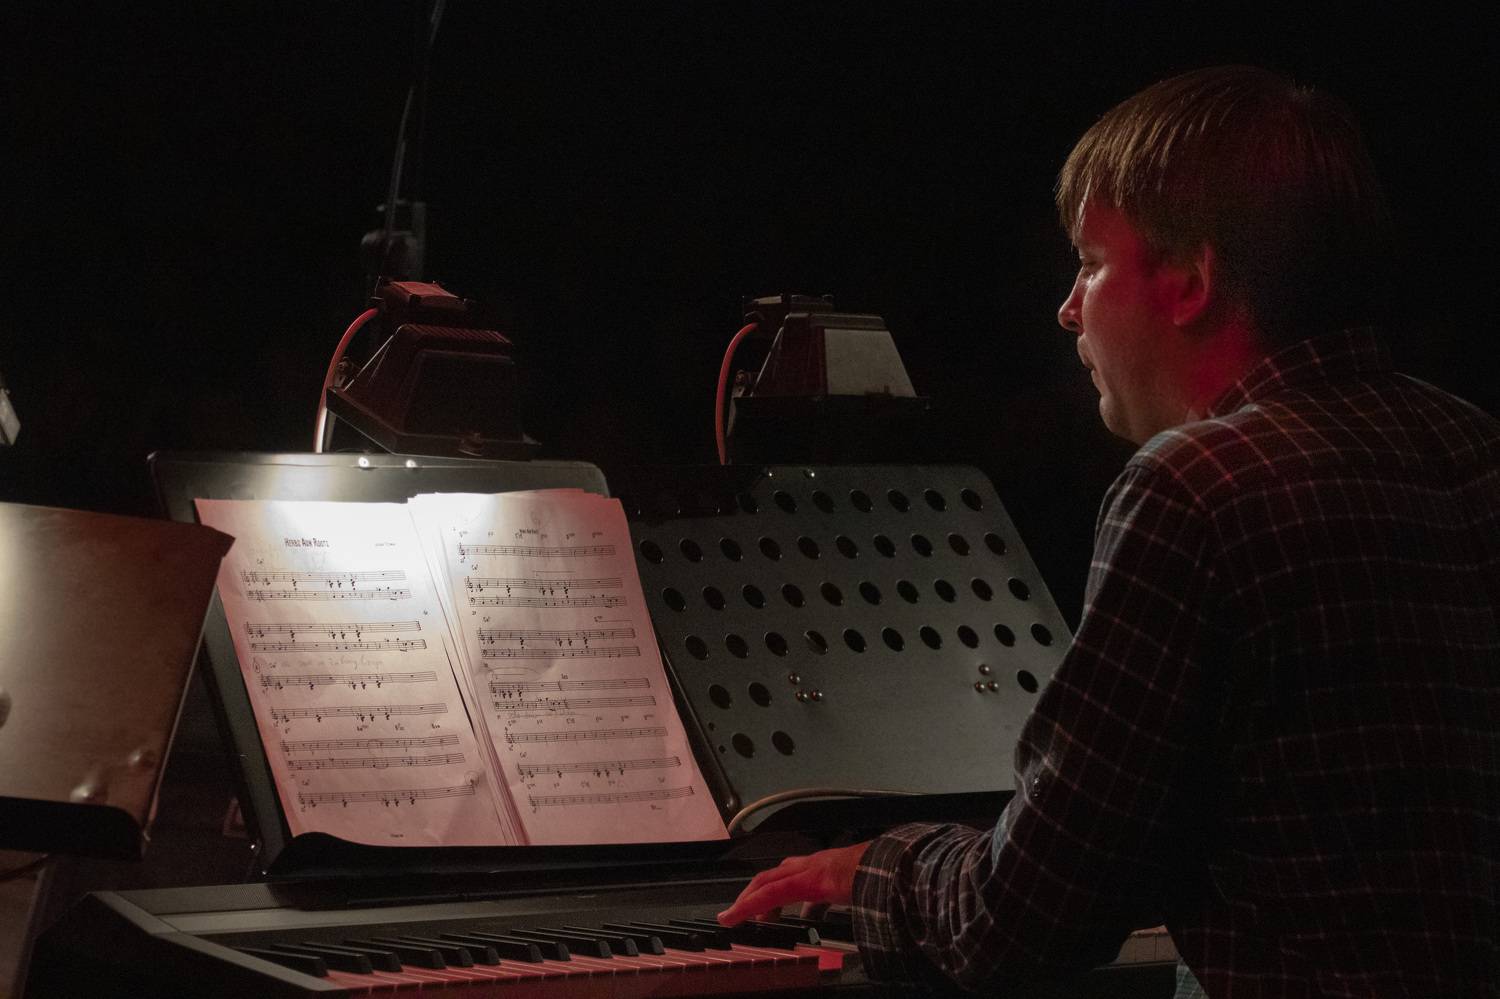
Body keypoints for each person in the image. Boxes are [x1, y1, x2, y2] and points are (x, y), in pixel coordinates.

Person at [718, 65, 1499, 997]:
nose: (1067, 306)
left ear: (1189, 281)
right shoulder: (1476, 446)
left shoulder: (1194, 489)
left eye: (1090, 263)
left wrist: (878, 867)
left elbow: (1020, 919)